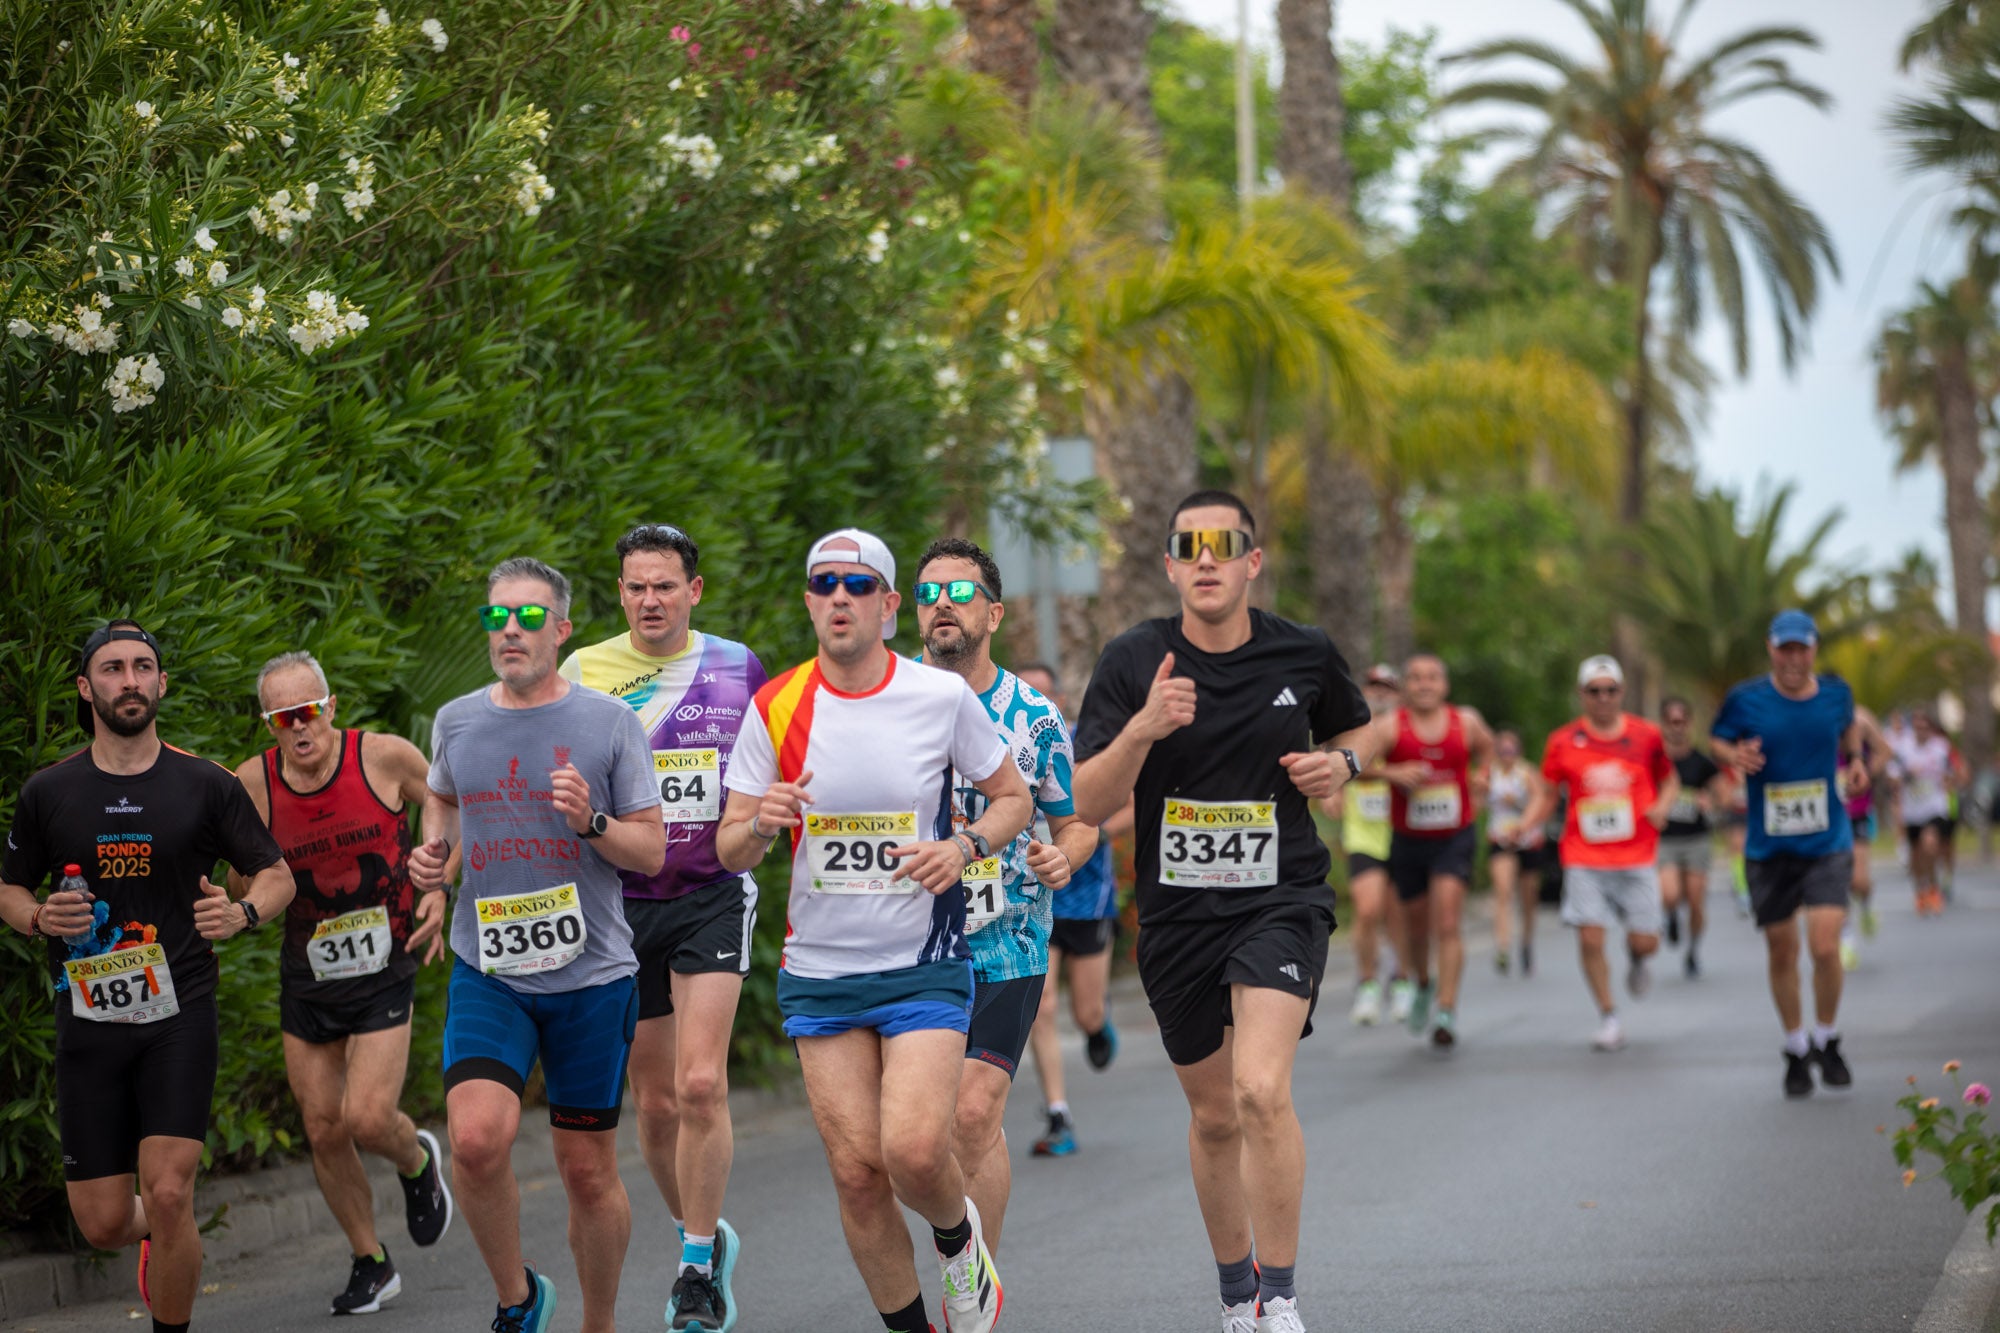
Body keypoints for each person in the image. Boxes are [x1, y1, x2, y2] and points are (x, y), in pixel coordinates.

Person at [1072, 491, 1374, 1333]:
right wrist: (1142, 730)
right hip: (1178, 920)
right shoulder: (1134, 660)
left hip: (1282, 897)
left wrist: (1344, 761)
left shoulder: (1303, 652)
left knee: (1260, 1088)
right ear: (1169, 564)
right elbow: (1086, 801)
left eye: (1224, 543)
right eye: (1188, 545)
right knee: (1212, 1114)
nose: (1206, 558)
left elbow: (1363, 726)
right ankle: (1236, 1294)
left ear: (1252, 561)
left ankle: (1279, 1295)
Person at [717, 528, 1030, 1333]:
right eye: (825, 583)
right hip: (820, 970)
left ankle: (962, 1247)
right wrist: (762, 825)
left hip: (921, 962)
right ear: (810, 600)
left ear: (890, 606)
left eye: (860, 585)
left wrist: (963, 847)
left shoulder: (939, 697)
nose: (840, 597)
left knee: (916, 1151)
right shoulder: (776, 704)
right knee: (857, 1176)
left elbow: (1012, 798)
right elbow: (729, 842)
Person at [1, 621, 296, 1333]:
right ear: (85, 687)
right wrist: (40, 918)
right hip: (89, 1019)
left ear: (162, 683)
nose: (128, 680)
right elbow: (8, 888)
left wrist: (245, 913)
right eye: (111, 669)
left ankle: (171, 1289)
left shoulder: (206, 784)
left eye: (141, 667)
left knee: (168, 1192)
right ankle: (164, 1240)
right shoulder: (50, 791)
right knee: (103, 1222)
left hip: (178, 1013)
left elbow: (277, 873)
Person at [409, 558, 666, 1333]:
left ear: (561, 629)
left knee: (586, 1170)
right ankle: (517, 1300)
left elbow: (650, 852)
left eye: (526, 618)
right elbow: (442, 799)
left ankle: (598, 1320)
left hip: (590, 977)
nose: (509, 631)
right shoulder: (456, 720)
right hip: (491, 969)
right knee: (477, 1141)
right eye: (496, 618)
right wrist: (432, 859)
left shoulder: (609, 722)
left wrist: (591, 820)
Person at [558, 523, 767, 1332]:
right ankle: (702, 1237)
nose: (651, 599)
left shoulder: (736, 665)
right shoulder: (586, 671)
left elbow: (767, 767)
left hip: (711, 889)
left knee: (700, 1083)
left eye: (665, 585)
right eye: (636, 586)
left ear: (694, 591)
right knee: (653, 1104)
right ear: (620, 594)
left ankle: (694, 1267)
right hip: (620, 901)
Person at [230, 652, 454, 1315]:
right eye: (281, 718)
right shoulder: (252, 785)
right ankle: (370, 1259)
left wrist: (439, 881)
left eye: (306, 711)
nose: (297, 728)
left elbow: (446, 805)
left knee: (366, 1117)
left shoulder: (385, 758)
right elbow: (247, 882)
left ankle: (415, 1161)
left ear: (330, 707)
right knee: (324, 1128)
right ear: (268, 724)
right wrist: (234, 894)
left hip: (385, 962)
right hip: (307, 973)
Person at [910, 540, 1098, 1251]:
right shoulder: (891, 699)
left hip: (1006, 943)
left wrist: (1061, 856)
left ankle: (972, 1283)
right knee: (909, 1138)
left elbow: (1075, 822)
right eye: (928, 595)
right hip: (908, 944)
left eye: (959, 593)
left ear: (992, 611)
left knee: (973, 1114)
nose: (943, 607)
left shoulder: (1034, 715)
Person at [1710, 610, 1877, 1099]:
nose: (1793, 658)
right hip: (1768, 848)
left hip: (1827, 842)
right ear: (1771, 649)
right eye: (1785, 649)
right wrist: (1732, 756)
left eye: (1802, 648)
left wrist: (1857, 763)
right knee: (1782, 949)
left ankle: (1827, 1038)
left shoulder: (1835, 694)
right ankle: (1795, 1046)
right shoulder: (1746, 699)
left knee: (1825, 946)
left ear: (1814, 650)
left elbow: (1848, 732)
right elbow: (1718, 737)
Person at [1519, 657, 1676, 1051]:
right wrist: (1526, 824)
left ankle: (1637, 958)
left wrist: (1663, 806)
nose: (1603, 697)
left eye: (1610, 690)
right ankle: (1609, 1016)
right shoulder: (1562, 741)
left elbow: (1670, 779)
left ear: (1621, 693)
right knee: (1590, 938)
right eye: (1594, 691)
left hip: (1637, 854)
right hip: (1583, 855)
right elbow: (1546, 792)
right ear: (1582, 695)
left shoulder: (1647, 735)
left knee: (1647, 943)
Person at [1372, 654, 1494, 1049]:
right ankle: (1423, 981)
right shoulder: (1391, 727)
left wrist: (1482, 774)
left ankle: (1446, 1009)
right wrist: (1392, 773)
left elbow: (1487, 748)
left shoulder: (1467, 722)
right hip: (1408, 838)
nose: (1425, 684)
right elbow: (1351, 761)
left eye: (1432, 677)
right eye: (1416, 678)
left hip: (1454, 836)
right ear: (1406, 686)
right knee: (1417, 925)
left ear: (1444, 685)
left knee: (1447, 920)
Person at [1323, 664, 1415, 1021]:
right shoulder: (1350, 728)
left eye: (1389, 688)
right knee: (1367, 908)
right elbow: (1332, 763)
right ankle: (1367, 984)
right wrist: (1333, 791)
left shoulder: (1408, 728)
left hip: (1405, 829)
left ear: (1399, 695)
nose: (1381, 693)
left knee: (1399, 913)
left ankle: (1403, 980)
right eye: (1374, 686)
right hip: (1364, 832)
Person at [1656, 697, 1726, 978]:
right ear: (1663, 724)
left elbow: (1724, 796)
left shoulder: (1702, 762)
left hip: (1696, 839)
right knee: (1670, 893)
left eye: (1681, 722)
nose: (1677, 728)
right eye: (1671, 722)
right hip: (1666, 839)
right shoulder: (1655, 762)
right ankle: (1671, 916)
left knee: (1696, 901)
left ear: (1689, 724)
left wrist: (1710, 802)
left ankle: (1693, 949)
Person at [1483, 729, 1548, 978]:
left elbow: (1540, 802)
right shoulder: (1490, 773)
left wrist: (1518, 805)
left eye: (1511, 751)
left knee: (1528, 898)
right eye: (1502, 751)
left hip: (1528, 841)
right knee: (1503, 891)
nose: (1506, 756)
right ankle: (1502, 946)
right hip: (1500, 839)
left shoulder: (1527, 773)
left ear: (1518, 752)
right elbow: (1477, 801)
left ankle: (1526, 942)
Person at [1890, 710, 1967, 917]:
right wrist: (1907, 774)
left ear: (1930, 729)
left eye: (1925, 727)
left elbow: (1959, 773)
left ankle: (1934, 888)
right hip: (1912, 810)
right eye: (1918, 726)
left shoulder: (1941, 748)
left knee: (1930, 845)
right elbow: (1892, 778)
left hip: (1935, 807)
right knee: (1916, 855)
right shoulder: (1902, 748)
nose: (1921, 731)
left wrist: (1950, 781)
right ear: (1913, 727)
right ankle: (1920, 891)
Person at [1836, 704, 1890, 968]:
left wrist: (1865, 772)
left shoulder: (1862, 719)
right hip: (1829, 816)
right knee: (1836, 879)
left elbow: (1885, 752)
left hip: (1857, 812)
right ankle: (1846, 940)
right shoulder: (1809, 716)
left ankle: (1866, 904)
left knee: (1859, 881)